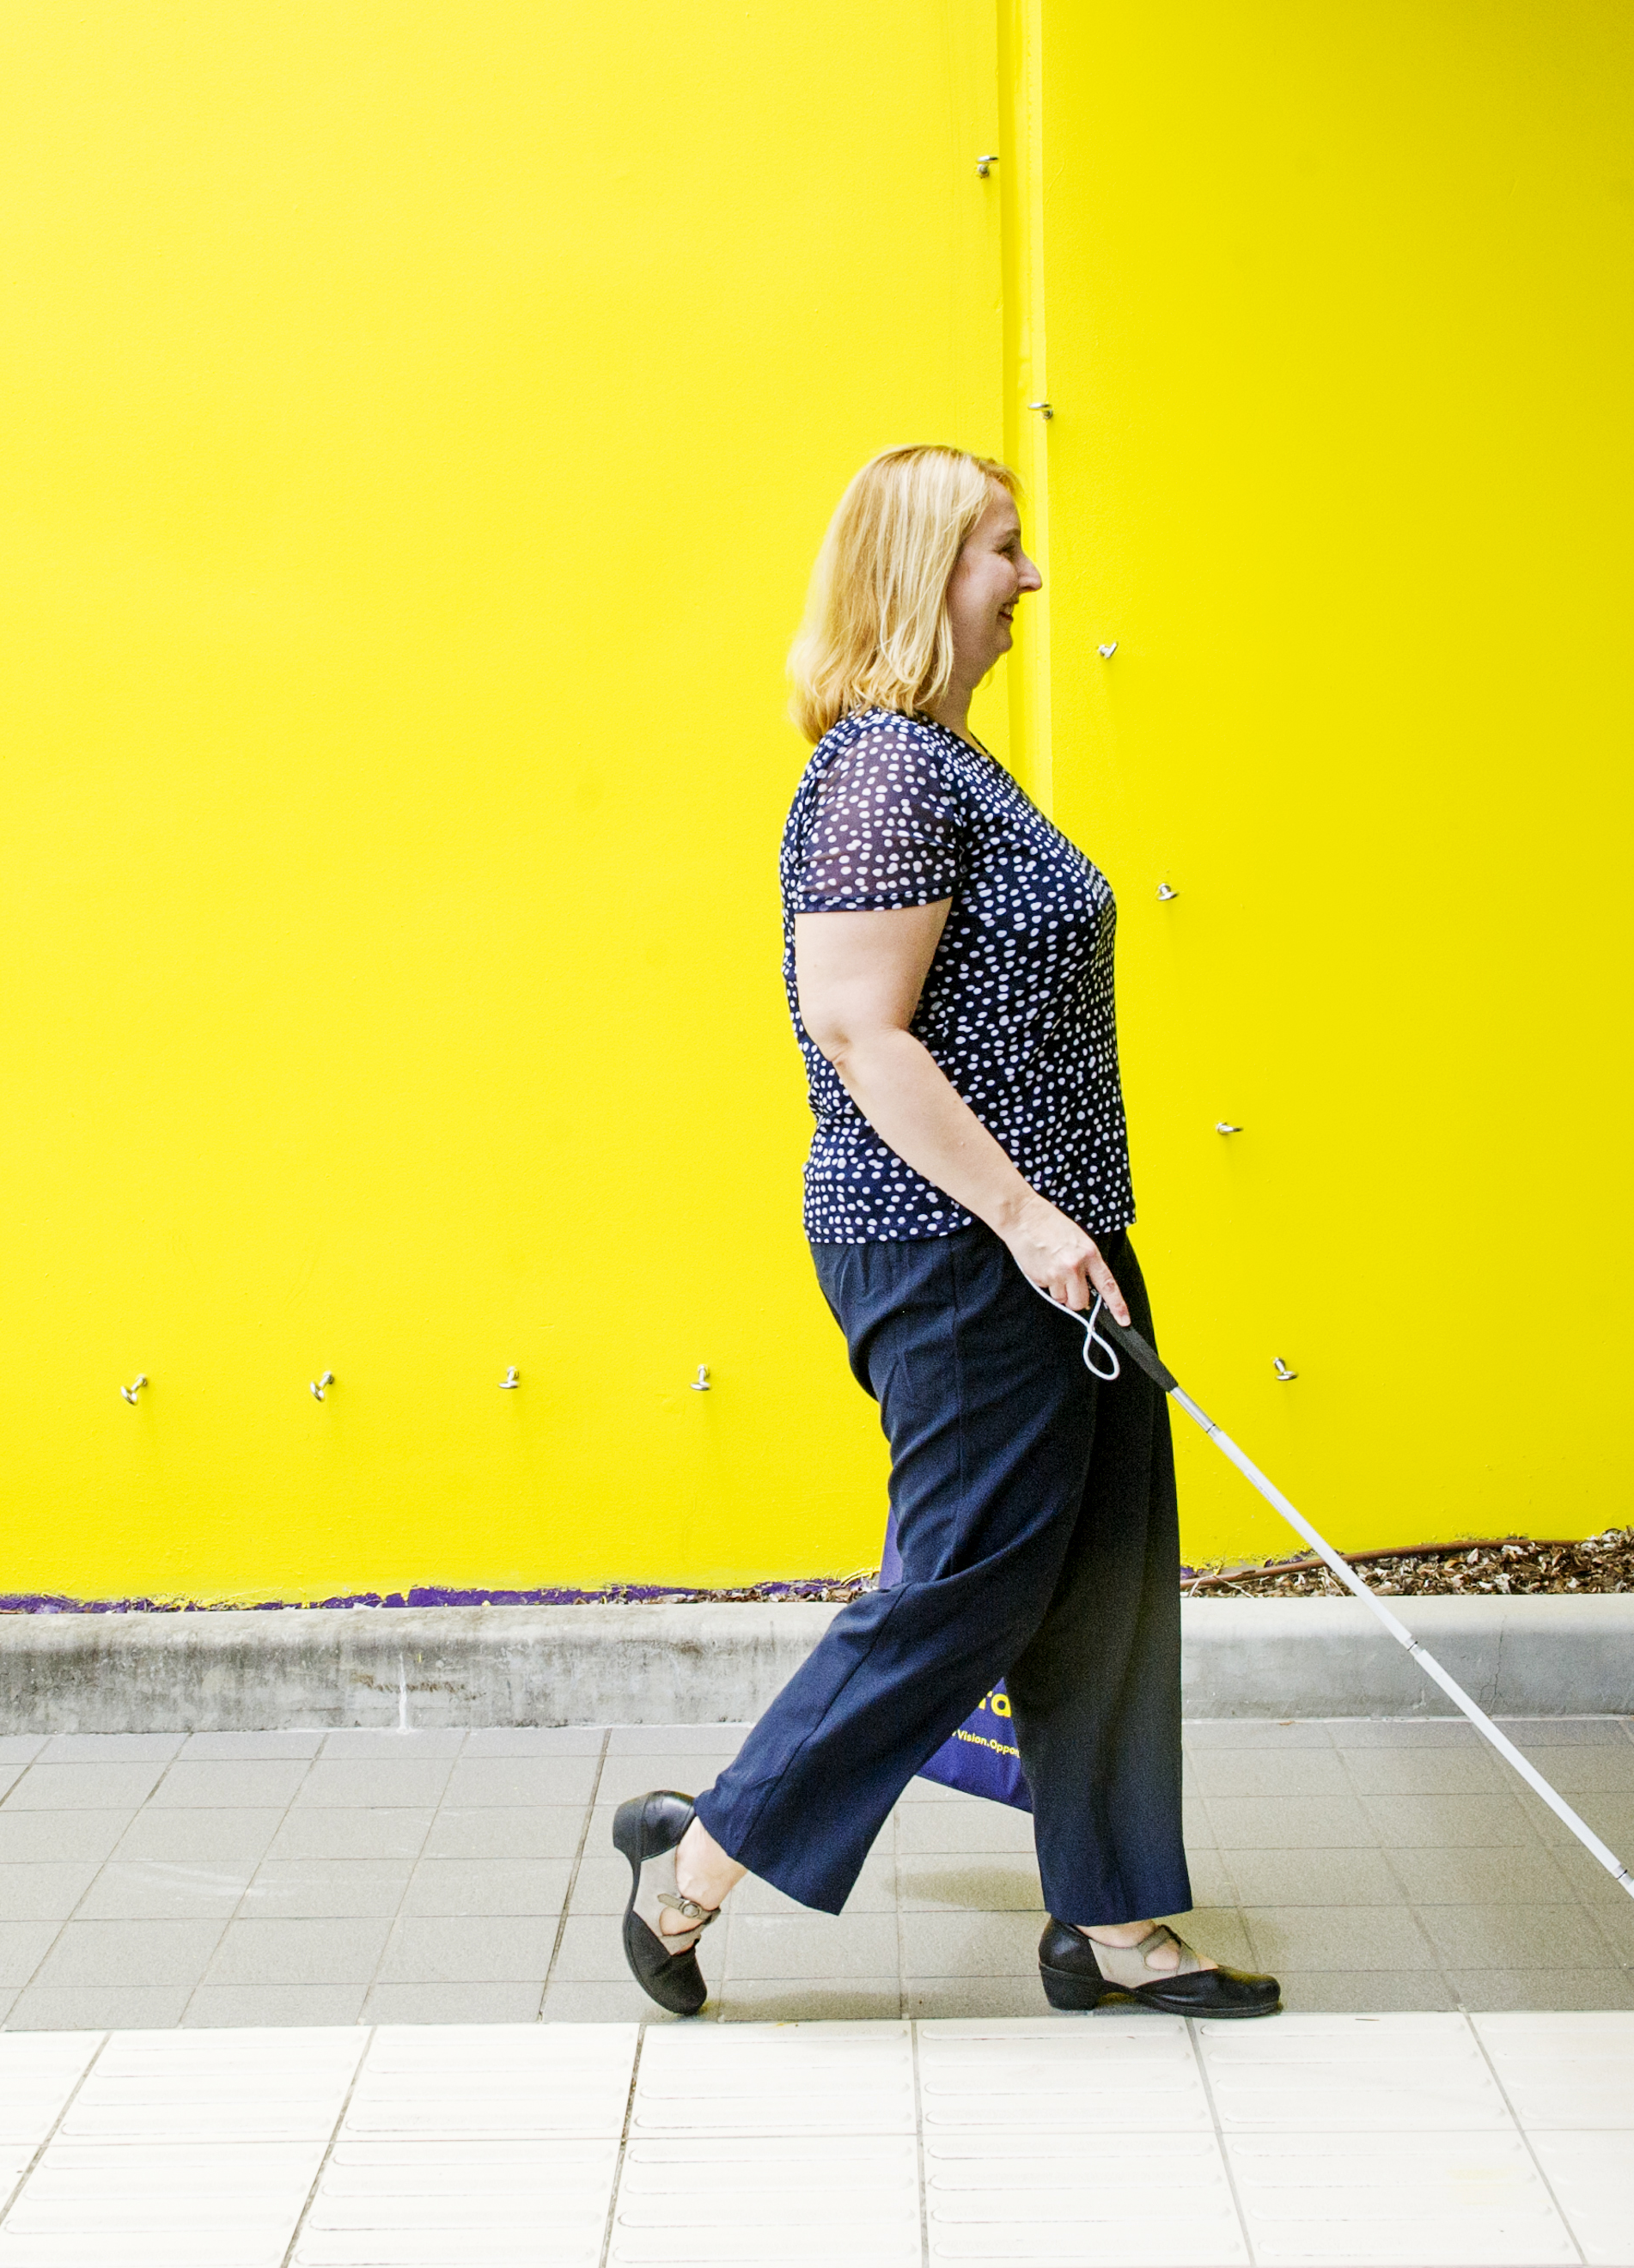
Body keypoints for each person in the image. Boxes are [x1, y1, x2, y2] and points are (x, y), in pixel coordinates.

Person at [613, 444, 1279, 2021]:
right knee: (970, 1577)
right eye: (1001, 548)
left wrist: (1069, 1223)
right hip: (957, 1243)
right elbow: (863, 1030)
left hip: (1052, 1238)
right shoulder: (885, 776)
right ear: (924, 575)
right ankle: (701, 1863)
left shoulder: (952, 761)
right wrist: (1029, 1217)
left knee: (1104, 1568)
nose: (1029, 578)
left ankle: (1114, 1926)